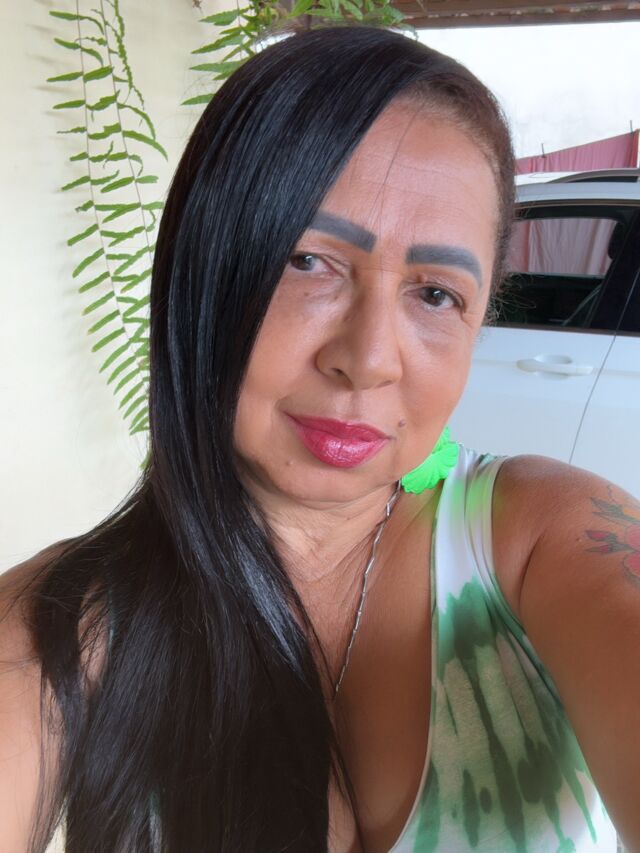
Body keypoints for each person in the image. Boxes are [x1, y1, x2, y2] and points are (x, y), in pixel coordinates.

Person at [0, 22, 638, 853]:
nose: (368, 360)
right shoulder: (57, 630)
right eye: (308, 260)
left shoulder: (543, 540)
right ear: (203, 269)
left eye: (435, 294)